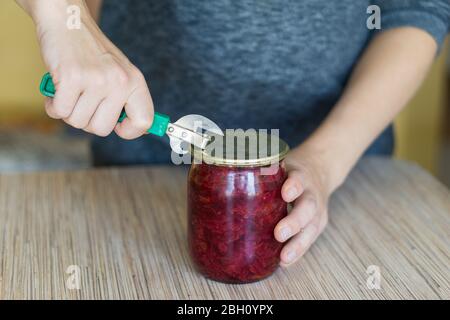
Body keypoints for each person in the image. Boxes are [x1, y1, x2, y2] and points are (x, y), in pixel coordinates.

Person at [16, 0, 449, 266]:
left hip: (345, 175)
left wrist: (323, 161)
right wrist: (65, 20)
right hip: (132, 174)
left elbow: (417, 9)